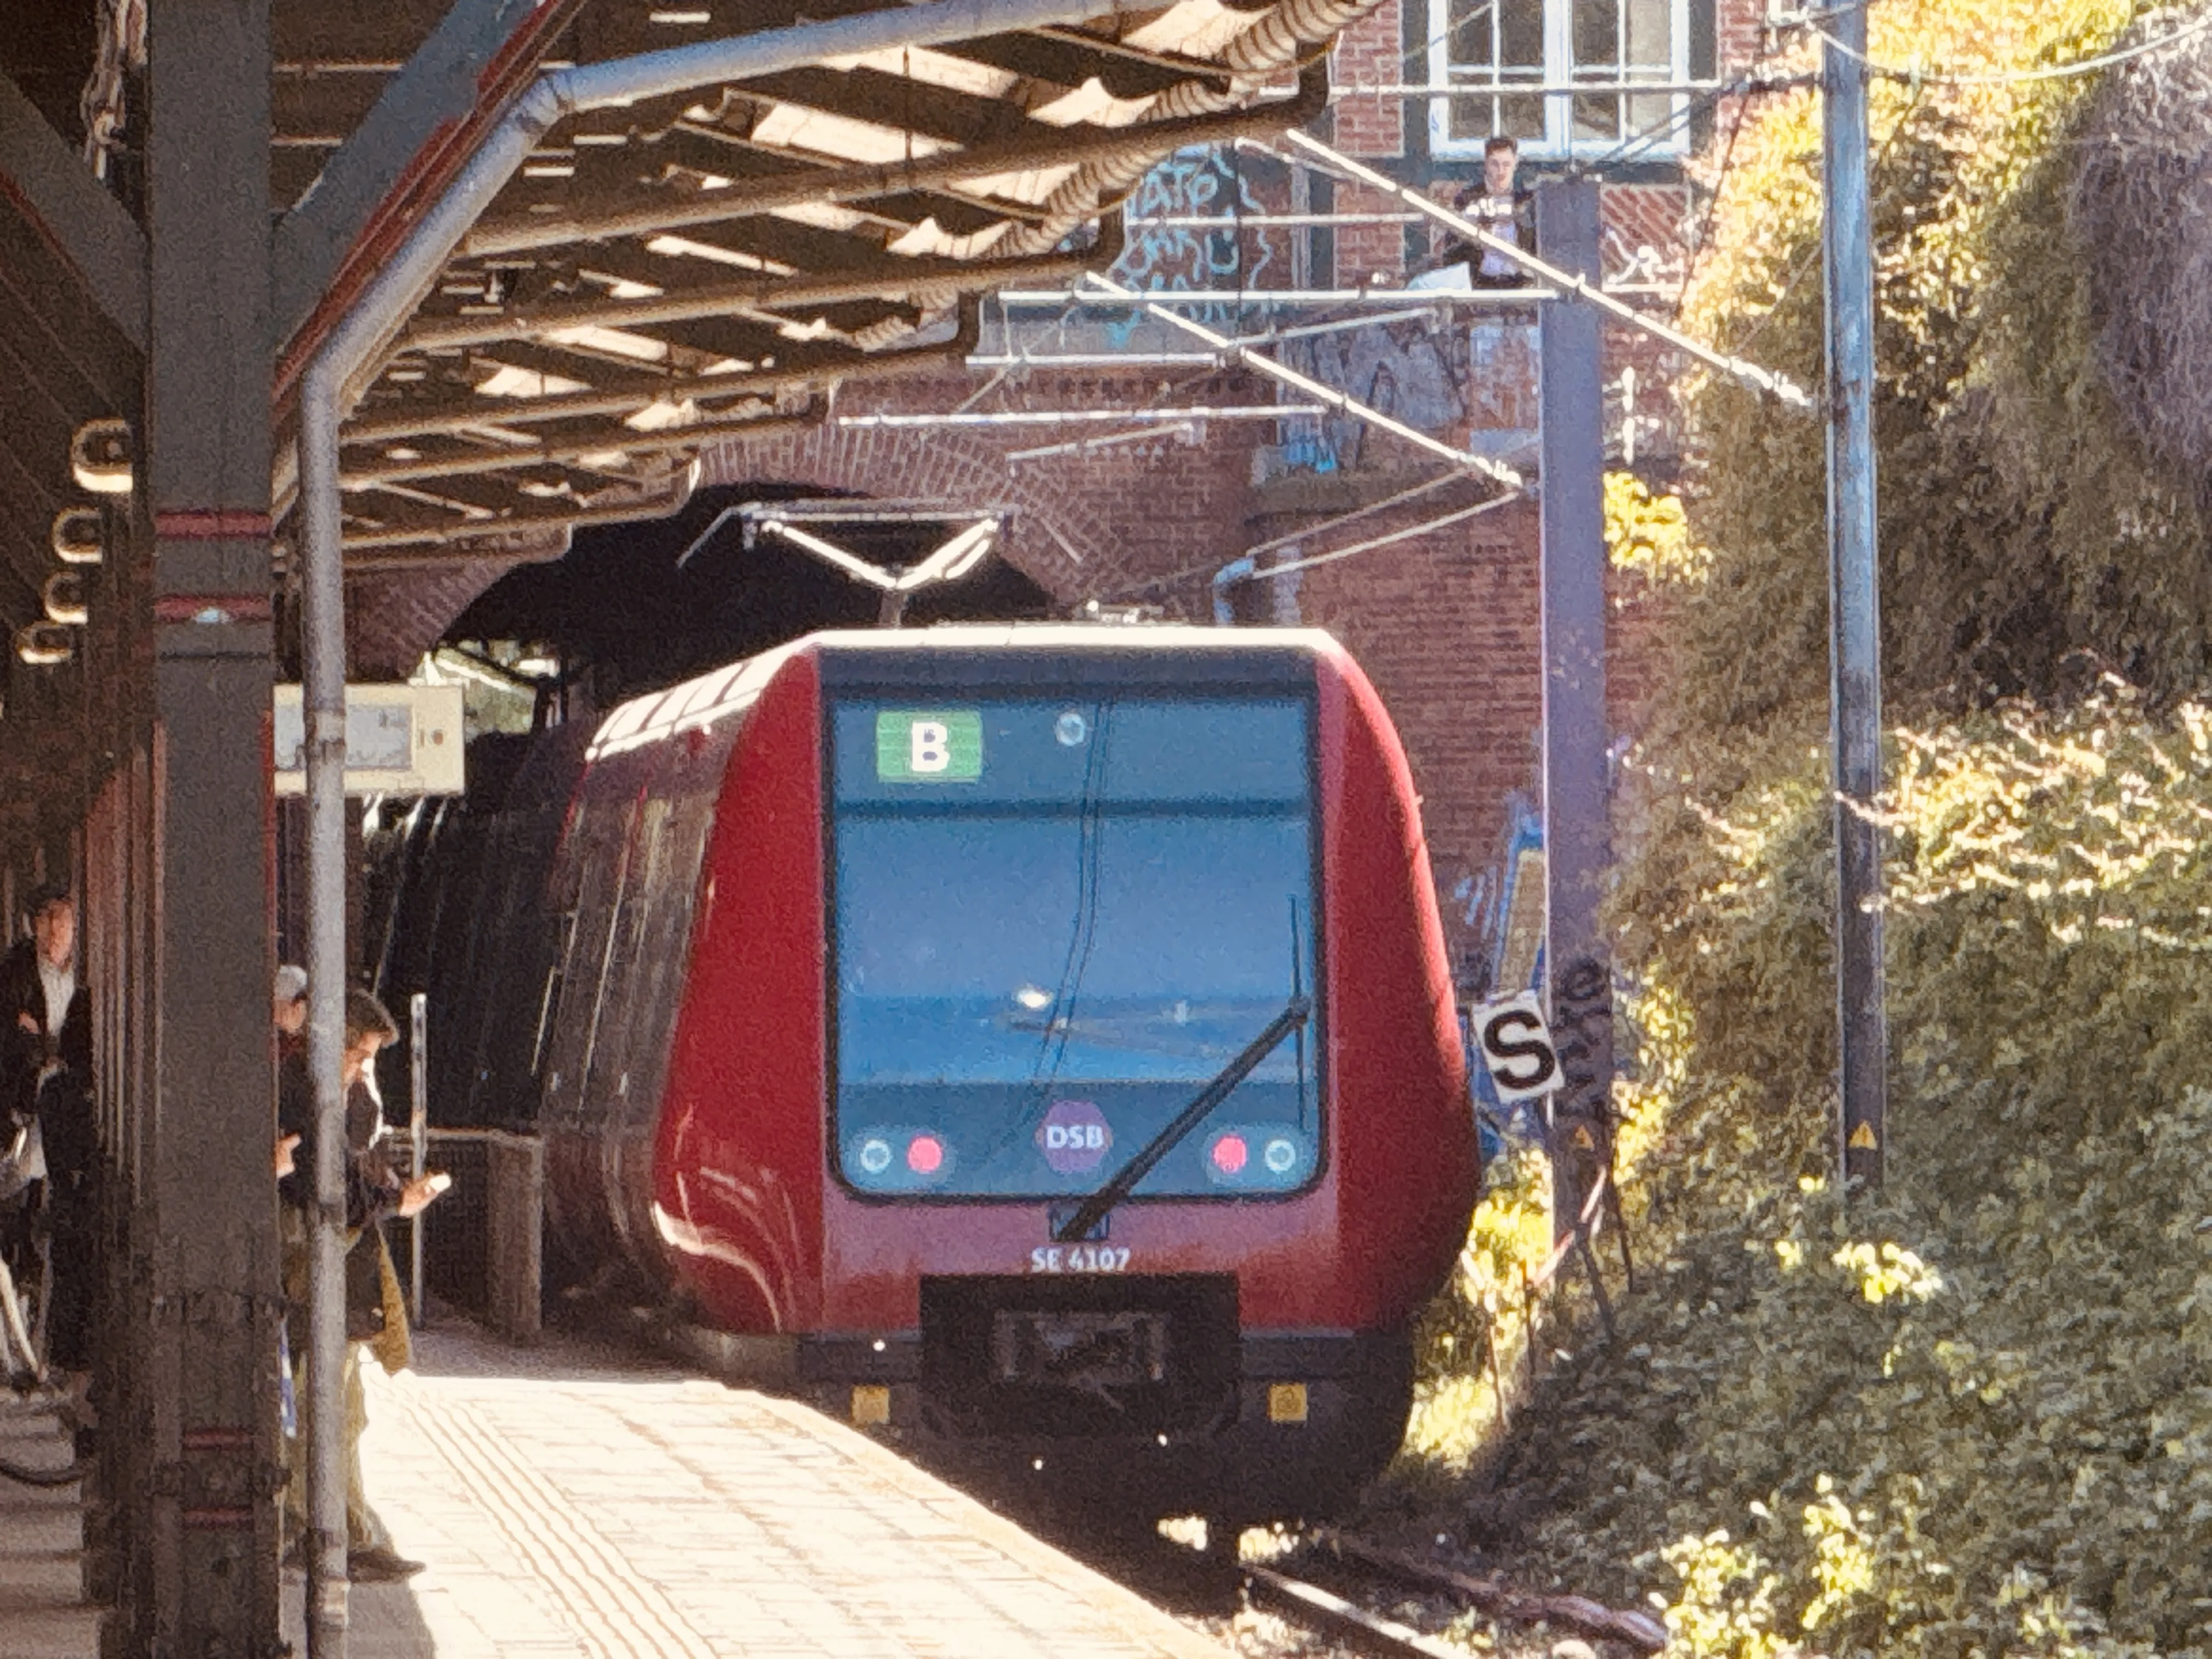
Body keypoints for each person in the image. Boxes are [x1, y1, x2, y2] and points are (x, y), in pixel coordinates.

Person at [278, 983, 443, 1582]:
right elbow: (327, 1191)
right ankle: (308, 1525)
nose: (364, 1069)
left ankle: (348, 1527)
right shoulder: (300, 1097)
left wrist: (392, 1196)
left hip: (333, 1263)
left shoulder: (333, 1097)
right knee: (312, 1400)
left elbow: (347, 1179)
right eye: (360, 1056)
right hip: (306, 1265)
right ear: (332, 1046)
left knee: (343, 1404)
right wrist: (393, 1201)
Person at [0, 887, 98, 1389]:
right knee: (13, 1224)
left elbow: (74, 1041)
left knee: (44, 1223)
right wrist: (38, 1045)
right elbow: (13, 1037)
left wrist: (43, 1040)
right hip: (21, 1114)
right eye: (47, 921)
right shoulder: (15, 973)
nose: (56, 932)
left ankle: (30, 1340)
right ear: (33, 926)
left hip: (59, 1115)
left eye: (64, 922)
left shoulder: (84, 979)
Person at [1448, 136, 1536, 290]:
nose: (1501, 171)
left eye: (1506, 164)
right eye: (1495, 164)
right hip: (1480, 283)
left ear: (1516, 164)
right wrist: (1475, 236)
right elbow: (1452, 251)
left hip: (1521, 283)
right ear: (1486, 164)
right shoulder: (1467, 200)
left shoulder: (1528, 202)